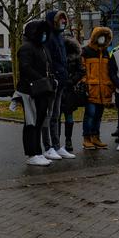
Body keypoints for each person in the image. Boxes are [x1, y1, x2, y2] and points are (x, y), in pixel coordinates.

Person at [15, 20, 54, 166]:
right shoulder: (26, 48)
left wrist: (50, 80)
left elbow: (48, 66)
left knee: (39, 121)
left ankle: (38, 151)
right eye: (41, 32)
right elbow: (25, 68)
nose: (44, 35)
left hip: (42, 90)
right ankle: (32, 153)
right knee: (31, 123)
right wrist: (42, 79)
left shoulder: (42, 47)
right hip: (30, 91)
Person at [42, 10, 73, 160]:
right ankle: (48, 147)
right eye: (60, 20)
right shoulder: (49, 37)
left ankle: (56, 145)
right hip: (53, 81)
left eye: (64, 19)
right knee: (48, 116)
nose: (63, 22)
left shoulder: (59, 37)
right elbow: (49, 60)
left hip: (61, 81)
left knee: (56, 115)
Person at [81, 27, 114, 150]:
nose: (102, 39)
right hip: (91, 88)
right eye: (101, 36)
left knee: (98, 115)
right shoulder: (86, 51)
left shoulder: (106, 53)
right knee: (90, 114)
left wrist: (110, 86)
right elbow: (82, 69)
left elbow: (109, 71)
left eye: (105, 37)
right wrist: (85, 82)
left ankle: (96, 137)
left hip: (103, 90)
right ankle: (87, 138)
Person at [61, 33, 85, 152]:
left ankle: (68, 140)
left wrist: (71, 81)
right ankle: (55, 143)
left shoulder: (76, 56)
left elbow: (81, 71)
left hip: (69, 90)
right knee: (55, 118)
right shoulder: (57, 54)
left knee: (69, 118)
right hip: (58, 89)